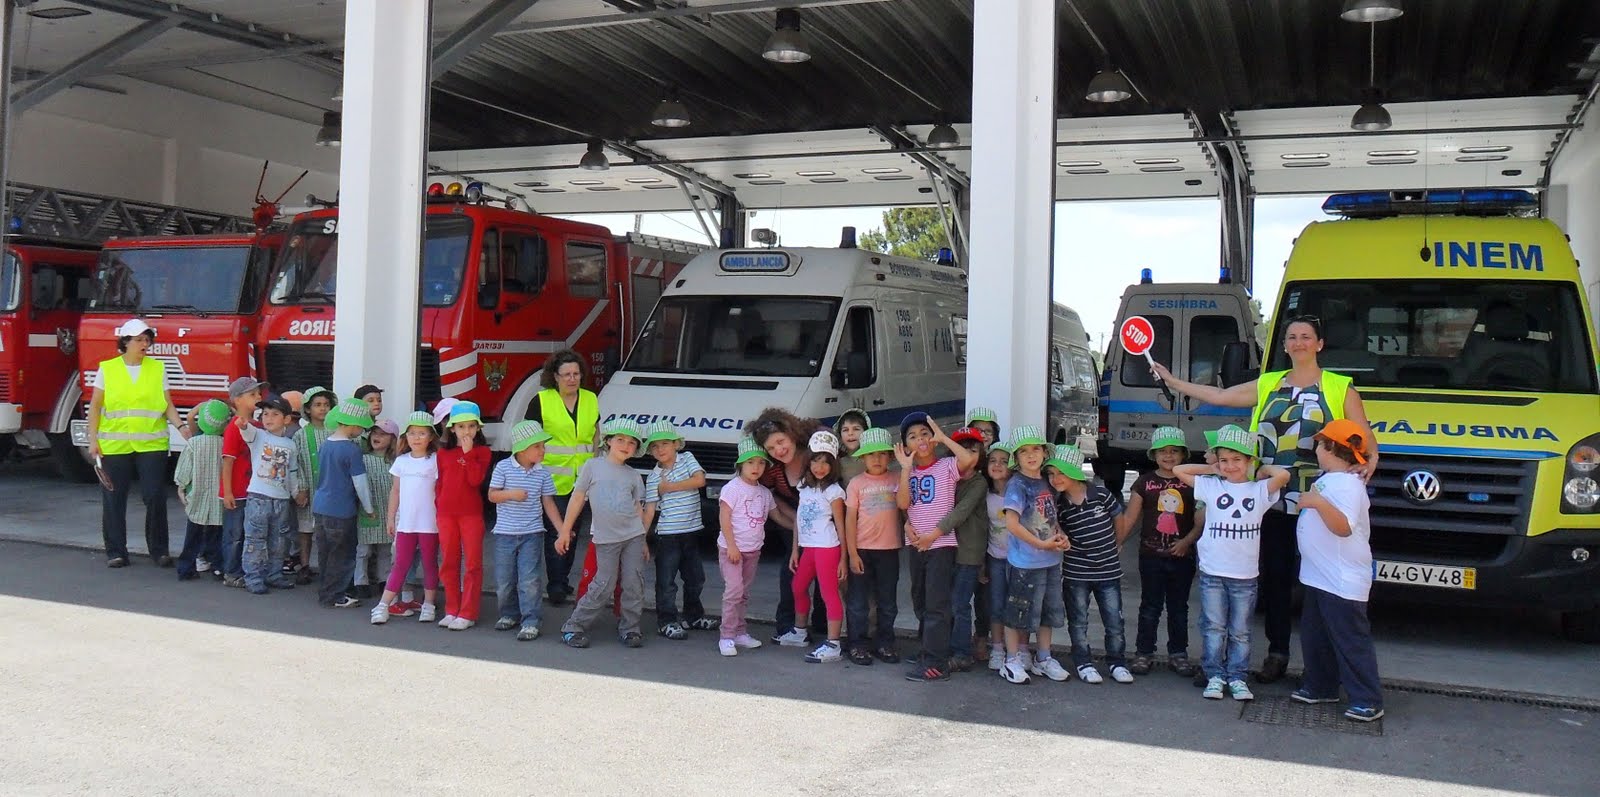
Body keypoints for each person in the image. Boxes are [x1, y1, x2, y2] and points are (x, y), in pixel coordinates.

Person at [1151, 315, 1378, 683]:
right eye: (1292, 337)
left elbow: (1363, 437)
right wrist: (1173, 382)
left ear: (1320, 344)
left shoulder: (1340, 387)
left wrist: (1368, 465)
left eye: (1306, 336)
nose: (1299, 342)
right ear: (1284, 345)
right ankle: (1277, 653)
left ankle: (1324, 670)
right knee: (1273, 578)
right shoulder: (1270, 382)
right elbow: (1221, 396)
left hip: (1315, 499)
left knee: (1319, 581)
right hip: (1266, 496)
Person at [1174, 424, 1292, 702]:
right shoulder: (1212, 486)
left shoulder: (1259, 490)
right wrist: (1211, 468)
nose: (1230, 466)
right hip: (1213, 572)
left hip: (1245, 575)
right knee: (1213, 628)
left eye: (1237, 459)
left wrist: (1261, 470)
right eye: (1224, 460)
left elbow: (1284, 475)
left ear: (1249, 461)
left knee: (1240, 631)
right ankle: (1214, 674)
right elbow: (1180, 470)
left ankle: (1237, 676)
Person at [1292, 419, 1384, 722]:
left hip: (1341, 579)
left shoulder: (1348, 485)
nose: (1316, 449)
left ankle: (1367, 699)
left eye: (1320, 444)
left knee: (1350, 640)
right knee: (1316, 636)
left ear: (1332, 448)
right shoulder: (1333, 478)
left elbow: (1343, 527)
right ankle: (1321, 685)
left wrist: (1317, 503)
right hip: (1319, 576)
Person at [87, 318, 189, 568]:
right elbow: (96, 407)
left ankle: (159, 551)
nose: (145, 344)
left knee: (155, 496)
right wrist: (92, 439)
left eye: (147, 340)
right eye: (139, 340)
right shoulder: (108, 369)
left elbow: (167, 404)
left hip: (151, 443)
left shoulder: (157, 368)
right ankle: (116, 552)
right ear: (125, 342)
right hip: (114, 445)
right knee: (114, 498)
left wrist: (181, 426)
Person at [895, 411, 980, 682]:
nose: (920, 440)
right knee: (920, 600)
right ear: (905, 445)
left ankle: (936, 662)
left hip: (940, 544)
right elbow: (903, 503)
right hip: (916, 545)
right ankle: (927, 649)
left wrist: (943, 438)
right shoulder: (907, 472)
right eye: (912, 436)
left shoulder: (946, 466)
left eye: (925, 434)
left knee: (936, 604)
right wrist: (905, 469)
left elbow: (969, 460)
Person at [557, 419, 647, 649]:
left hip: (634, 536)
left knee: (633, 582)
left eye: (631, 442)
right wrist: (565, 530)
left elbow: (638, 508)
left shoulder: (633, 475)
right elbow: (578, 498)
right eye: (620, 440)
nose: (625, 445)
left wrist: (644, 540)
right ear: (608, 441)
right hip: (606, 539)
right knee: (603, 583)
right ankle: (573, 626)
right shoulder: (592, 466)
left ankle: (630, 628)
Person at [1054, 443, 1136, 685]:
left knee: (1114, 620)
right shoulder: (1059, 504)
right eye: (1051, 474)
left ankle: (1117, 662)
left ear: (1074, 472)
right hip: (1076, 572)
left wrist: (1117, 543)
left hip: (1108, 571)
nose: (1055, 478)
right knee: (1078, 621)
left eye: (1060, 473)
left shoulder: (1100, 494)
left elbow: (1118, 518)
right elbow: (1056, 527)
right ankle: (1083, 662)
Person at [1123, 426, 1200, 677]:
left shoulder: (1192, 483)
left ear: (1183, 454)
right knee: (1150, 606)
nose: (1168, 456)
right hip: (1151, 557)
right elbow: (1130, 517)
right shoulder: (1144, 482)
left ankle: (1178, 654)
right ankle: (1144, 652)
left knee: (1178, 608)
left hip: (1182, 557)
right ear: (1153, 455)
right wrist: (1116, 542)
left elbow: (1201, 520)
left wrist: (1187, 542)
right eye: (1162, 451)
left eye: (1174, 451)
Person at [998, 425, 1071, 685]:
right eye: (1024, 451)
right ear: (1016, 458)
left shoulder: (1046, 482)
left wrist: (1061, 535)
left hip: (1050, 560)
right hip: (1025, 563)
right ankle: (1011, 660)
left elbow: (1050, 518)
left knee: (1047, 612)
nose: (1031, 455)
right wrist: (1041, 544)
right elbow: (1012, 524)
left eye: (1036, 449)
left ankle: (1043, 657)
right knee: (1017, 612)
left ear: (1044, 452)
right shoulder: (1017, 485)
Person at [749, 407, 828, 646]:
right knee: (792, 569)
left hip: (826, 517)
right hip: (792, 517)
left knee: (825, 570)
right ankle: (788, 624)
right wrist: (795, 521)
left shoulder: (816, 450)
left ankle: (824, 623)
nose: (779, 450)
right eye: (771, 448)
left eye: (781, 442)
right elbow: (769, 493)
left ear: (792, 433)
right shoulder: (772, 468)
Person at [531, 350, 601, 607]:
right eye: (566, 374)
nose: (572, 379)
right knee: (557, 530)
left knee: (573, 531)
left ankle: (562, 578)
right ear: (555, 377)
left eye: (576, 374)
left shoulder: (591, 399)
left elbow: (596, 434)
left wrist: (596, 463)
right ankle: (556, 584)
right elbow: (529, 437)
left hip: (582, 479)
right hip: (552, 479)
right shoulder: (541, 400)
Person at [488, 420, 559, 641]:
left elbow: (548, 502)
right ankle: (509, 614)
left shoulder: (543, 473)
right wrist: (511, 494)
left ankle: (531, 620)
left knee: (530, 579)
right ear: (521, 449)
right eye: (537, 446)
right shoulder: (503, 467)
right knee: (504, 579)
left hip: (532, 534)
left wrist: (562, 529)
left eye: (543, 446)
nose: (543, 450)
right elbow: (492, 495)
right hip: (505, 534)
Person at [641, 421, 712, 640]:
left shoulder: (687, 458)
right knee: (666, 582)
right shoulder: (653, 476)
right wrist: (642, 539)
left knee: (696, 578)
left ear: (676, 444)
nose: (660, 449)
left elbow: (700, 480)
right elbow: (649, 509)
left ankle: (693, 616)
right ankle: (666, 621)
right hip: (667, 536)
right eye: (654, 446)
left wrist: (668, 488)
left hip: (690, 532)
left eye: (665, 443)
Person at [371, 412, 442, 625]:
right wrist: (391, 518)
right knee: (400, 564)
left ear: (431, 436)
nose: (416, 438)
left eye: (422, 433)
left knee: (429, 564)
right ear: (405, 437)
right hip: (406, 524)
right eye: (412, 433)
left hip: (430, 524)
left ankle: (428, 604)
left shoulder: (436, 460)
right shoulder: (401, 461)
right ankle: (383, 605)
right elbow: (395, 491)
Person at [932, 426, 991, 672]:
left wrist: (932, 533)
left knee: (960, 603)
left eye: (973, 450)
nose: (967, 454)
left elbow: (960, 512)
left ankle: (962, 652)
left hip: (969, 553)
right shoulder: (948, 478)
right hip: (947, 550)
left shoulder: (979, 483)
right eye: (961, 449)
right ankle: (942, 647)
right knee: (945, 601)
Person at [843, 427, 901, 666]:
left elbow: (906, 508)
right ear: (862, 458)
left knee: (887, 602)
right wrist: (852, 553)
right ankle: (857, 643)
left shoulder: (897, 479)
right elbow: (849, 519)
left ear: (890, 456)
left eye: (882, 454)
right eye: (871, 454)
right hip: (862, 550)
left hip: (889, 550)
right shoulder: (856, 484)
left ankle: (885, 642)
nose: (877, 459)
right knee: (858, 602)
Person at [310, 399, 375, 608]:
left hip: (320, 506)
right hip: (342, 509)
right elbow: (360, 482)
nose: (362, 431)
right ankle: (336, 595)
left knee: (325, 553)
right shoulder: (352, 450)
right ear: (353, 425)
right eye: (361, 427)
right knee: (343, 554)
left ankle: (325, 590)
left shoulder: (325, 445)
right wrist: (369, 508)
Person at [791, 430, 848, 663]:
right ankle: (800, 632)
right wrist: (795, 549)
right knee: (798, 586)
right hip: (808, 547)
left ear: (833, 465)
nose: (820, 467)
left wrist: (843, 558)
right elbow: (798, 519)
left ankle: (834, 644)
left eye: (826, 462)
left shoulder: (834, 491)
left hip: (827, 548)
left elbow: (841, 525)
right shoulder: (804, 487)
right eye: (815, 460)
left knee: (828, 594)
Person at [235, 394, 300, 595]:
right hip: (258, 498)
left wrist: (296, 493)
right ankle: (253, 577)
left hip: (281, 500)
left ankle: (274, 574)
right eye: (265, 414)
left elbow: (292, 472)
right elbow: (246, 431)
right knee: (255, 540)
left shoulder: (290, 445)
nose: (268, 418)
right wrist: (243, 424)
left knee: (279, 541)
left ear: (287, 419)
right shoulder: (259, 436)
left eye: (275, 414)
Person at [717, 437, 776, 657]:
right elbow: (724, 517)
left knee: (743, 593)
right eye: (750, 462)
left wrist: (798, 524)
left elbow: (776, 514)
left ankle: (740, 632)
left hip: (753, 550)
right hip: (732, 550)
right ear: (740, 464)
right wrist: (732, 546)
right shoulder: (732, 488)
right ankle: (726, 636)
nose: (756, 467)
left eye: (761, 463)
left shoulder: (764, 493)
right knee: (734, 591)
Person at [437, 401, 492, 630]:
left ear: (478, 428)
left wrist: (468, 455)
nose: (466, 431)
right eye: (461, 427)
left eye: (471, 426)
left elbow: (475, 480)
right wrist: (439, 507)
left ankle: (468, 612)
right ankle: (452, 609)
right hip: (446, 515)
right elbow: (440, 483)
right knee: (448, 562)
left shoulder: (483, 452)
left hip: (471, 514)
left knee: (472, 564)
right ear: (452, 429)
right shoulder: (443, 453)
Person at [173, 399, 230, 581]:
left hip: (197, 496)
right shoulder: (225, 444)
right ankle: (218, 567)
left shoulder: (194, 443)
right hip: (219, 498)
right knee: (217, 535)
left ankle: (186, 568)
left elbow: (184, 471)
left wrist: (181, 487)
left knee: (193, 535)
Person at [220, 377, 265, 587]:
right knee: (234, 533)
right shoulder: (233, 427)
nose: (258, 397)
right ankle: (231, 572)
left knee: (249, 533)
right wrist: (227, 492)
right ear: (237, 400)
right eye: (252, 394)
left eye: (258, 394)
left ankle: (247, 569)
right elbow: (228, 461)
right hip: (237, 490)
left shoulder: (257, 425)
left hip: (253, 489)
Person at [292, 386, 336, 584]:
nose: (323, 408)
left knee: (326, 530)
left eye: (326, 404)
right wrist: (301, 488)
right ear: (308, 409)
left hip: (330, 490)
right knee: (305, 529)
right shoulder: (301, 435)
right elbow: (297, 463)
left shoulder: (334, 432)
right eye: (318, 405)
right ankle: (304, 565)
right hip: (309, 488)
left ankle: (327, 567)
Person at [353, 420, 398, 601]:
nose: (377, 437)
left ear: (392, 439)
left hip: (388, 510)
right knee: (364, 549)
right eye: (375, 433)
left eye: (383, 434)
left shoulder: (394, 462)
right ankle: (360, 581)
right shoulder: (363, 459)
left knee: (385, 549)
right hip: (368, 509)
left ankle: (383, 579)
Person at [982, 441, 1014, 671]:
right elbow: (983, 530)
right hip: (995, 558)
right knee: (996, 604)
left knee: (1018, 605)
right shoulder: (985, 496)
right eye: (993, 460)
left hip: (1020, 560)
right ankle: (997, 648)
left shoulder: (1019, 493)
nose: (998, 465)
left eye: (1004, 461)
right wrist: (981, 563)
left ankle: (1020, 650)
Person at [833, 408, 871, 483]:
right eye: (845, 430)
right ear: (840, 436)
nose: (850, 433)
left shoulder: (873, 460)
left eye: (856, 429)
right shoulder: (838, 464)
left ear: (866, 433)